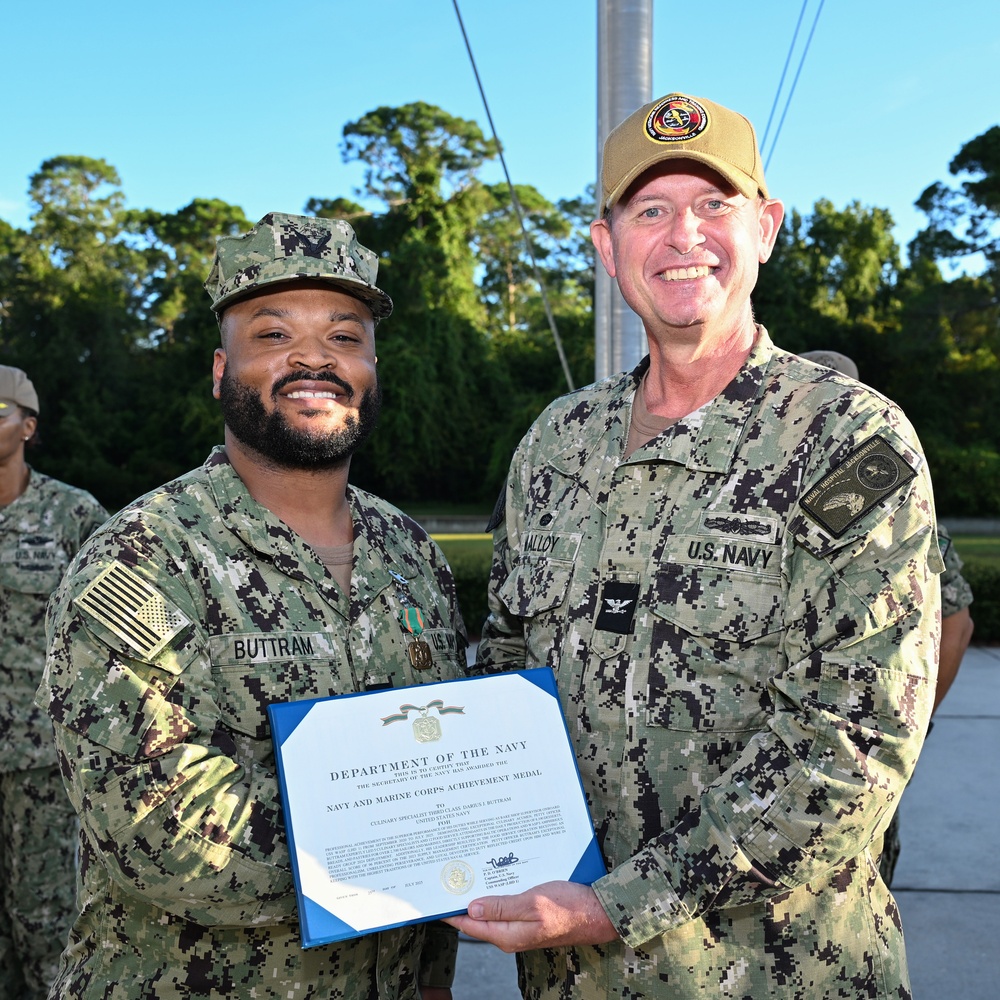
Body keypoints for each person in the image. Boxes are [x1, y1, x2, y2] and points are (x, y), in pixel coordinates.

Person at [449, 93, 943, 999]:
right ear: (606, 247)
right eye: (650, 211)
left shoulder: (850, 440)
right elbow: (513, 663)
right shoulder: (556, 445)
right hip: (572, 979)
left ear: (766, 227)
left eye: (714, 205)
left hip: (780, 975)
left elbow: (856, 739)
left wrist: (618, 905)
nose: (685, 235)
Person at [36, 213, 468, 999]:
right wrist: (419, 847)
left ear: (372, 366)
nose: (313, 359)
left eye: (345, 337)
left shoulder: (413, 555)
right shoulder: (142, 559)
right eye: (272, 335)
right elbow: (158, 833)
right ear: (218, 370)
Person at [800, 349, 975, 885]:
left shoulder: (880, 497)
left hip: (842, 769)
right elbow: (960, 623)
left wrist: (906, 723)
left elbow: (957, 626)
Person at [0, 365, 107, 998]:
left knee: (45, 926)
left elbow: (144, 624)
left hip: (42, 762)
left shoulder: (72, 513)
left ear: (29, 426)